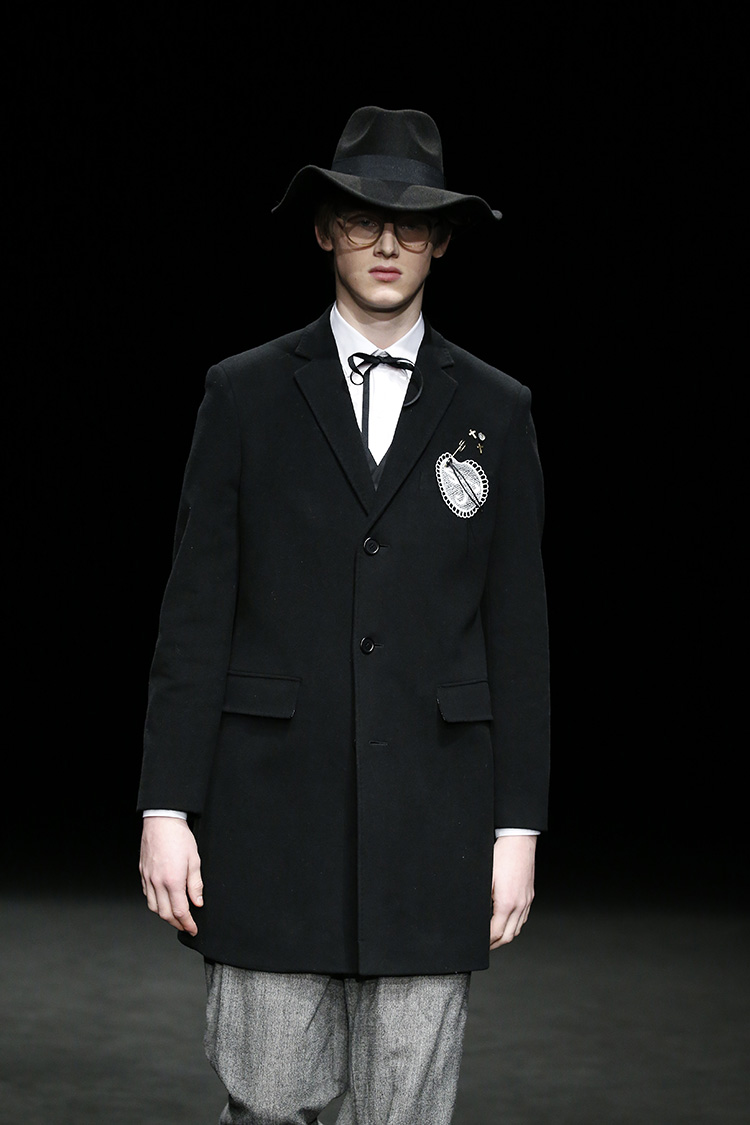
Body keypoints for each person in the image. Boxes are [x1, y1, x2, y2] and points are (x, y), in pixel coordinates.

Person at [138, 105, 550, 1125]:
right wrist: (165, 808)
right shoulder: (242, 396)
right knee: (267, 1102)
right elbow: (195, 616)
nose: (387, 241)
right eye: (364, 216)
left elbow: (519, 635)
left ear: (442, 240)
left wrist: (518, 827)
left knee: (405, 1114)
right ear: (326, 229)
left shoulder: (496, 410)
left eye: (412, 223)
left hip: (435, 825)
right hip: (270, 819)